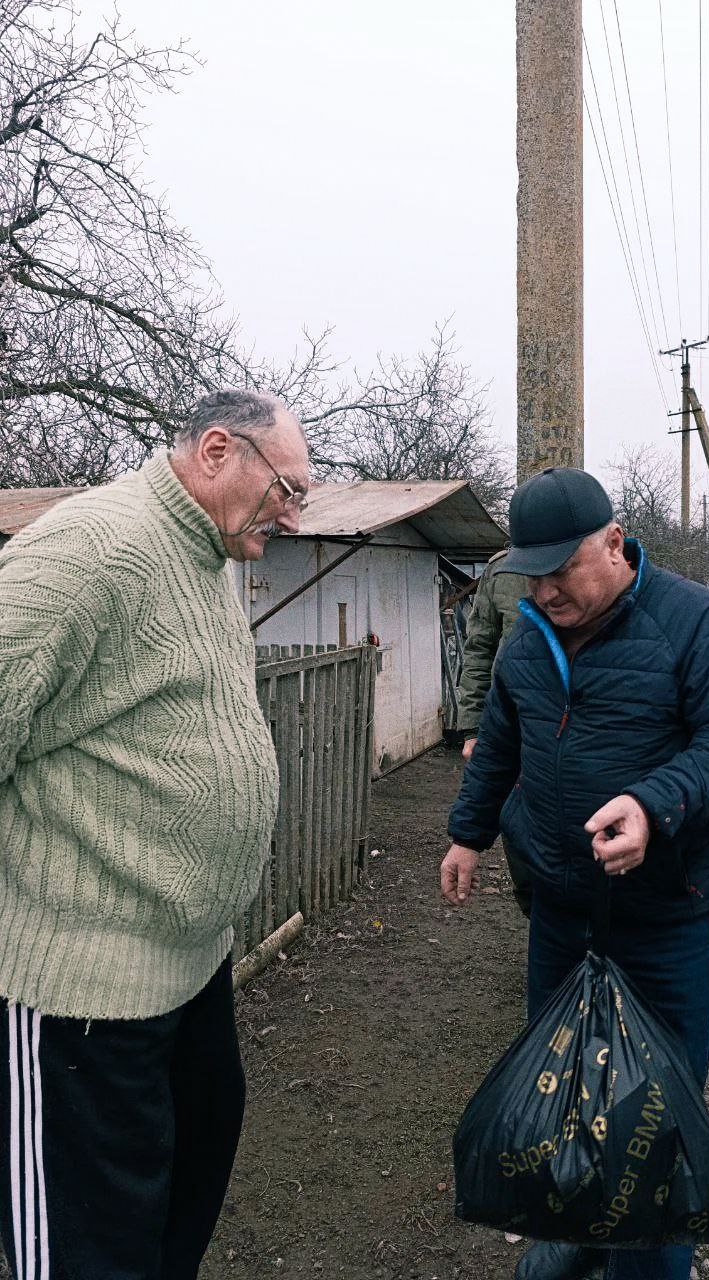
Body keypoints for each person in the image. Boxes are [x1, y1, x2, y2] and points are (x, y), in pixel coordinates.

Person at [441, 467, 709, 1280]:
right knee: (565, 1089)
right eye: (535, 573)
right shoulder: (530, 637)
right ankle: (583, 1231)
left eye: (565, 569)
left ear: (616, 543)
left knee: (650, 1105)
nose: (549, 589)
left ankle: (651, 1266)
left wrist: (654, 805)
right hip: (558, 910)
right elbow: (502, 743)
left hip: (664, 917)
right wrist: (468, 834)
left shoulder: (696, 623)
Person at [0, 390, 310, 1278]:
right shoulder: (88, 550)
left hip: (187, 967)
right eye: (285, 489)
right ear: (219, 451)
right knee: (82, 1248)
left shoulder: (208, 554)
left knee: (180, 1201)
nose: (291, 515)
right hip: (79, 993)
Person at [456, 550, 532, 913]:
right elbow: (479, 650)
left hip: (575, 722)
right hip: (510, 726)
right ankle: (535, 911)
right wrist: (472, 727)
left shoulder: (592, 559)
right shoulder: (502, 571)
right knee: (519, 828)